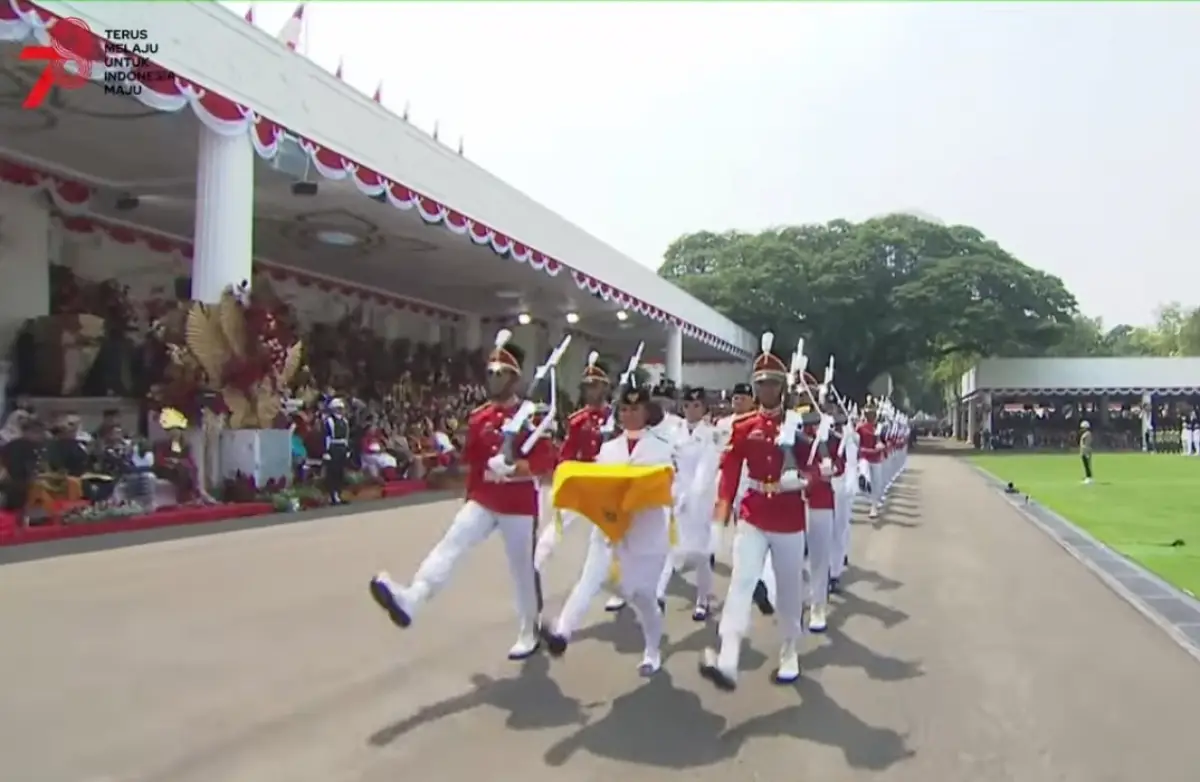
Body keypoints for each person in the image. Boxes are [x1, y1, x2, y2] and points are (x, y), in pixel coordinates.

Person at [368, 333, 557, 660]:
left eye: (501, 373)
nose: (494, 379)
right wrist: (468, 494)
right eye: (491, 372)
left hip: (518, 505)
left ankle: (529, 629)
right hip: (483, 498)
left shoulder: (532, 417)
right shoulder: (479, 417)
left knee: (522, 570)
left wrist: (514, 466)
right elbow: (472, 463)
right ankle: (413, 597)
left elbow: (546, 464)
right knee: (451, 544)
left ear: (514, 378)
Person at [701, 335, 812, 690]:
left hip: (790, 519)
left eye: (772, 384)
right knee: (741, 583)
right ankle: (728, 657)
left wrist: (804, 480)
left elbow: (818, 466)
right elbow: (729, 477)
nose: (766, 389)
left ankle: (790, 648)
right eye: (761, 383)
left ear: (782, 387)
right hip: (753, 514)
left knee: (790, 590)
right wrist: (718, 520)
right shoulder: (744, 426)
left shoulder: (799, 424)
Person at [541, 385, 675, 676]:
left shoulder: (661, 446)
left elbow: (664, 484)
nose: (629, 415)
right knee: (588, 582)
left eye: (635, 409)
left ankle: (652, 650)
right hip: (608, 531)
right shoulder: (608, 449)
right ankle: (561, 633)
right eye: (624, 409)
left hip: (644, 535)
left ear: (646, 412)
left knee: (642, 598)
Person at [533, 355, 611, 571]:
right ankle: (537, 563)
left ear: (605, 387)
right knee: (559, 522)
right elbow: (567, 454)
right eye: (586, 386)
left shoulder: (618, 417)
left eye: (594, 386)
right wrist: (562, 479)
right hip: (584, 480)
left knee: (613, 535)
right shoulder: (578, 420)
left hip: (610, 483)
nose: (589, 391)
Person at [656, 385, 722, 620]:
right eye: (687, 405)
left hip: (700, 499)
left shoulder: (711, 435)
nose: (691, 410)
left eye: (696, 405)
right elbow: (667, 462)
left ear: (704, 408)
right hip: (676, 494)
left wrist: (690, 496)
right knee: (667, 546)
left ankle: (703, 599)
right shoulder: (674, 432)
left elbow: (706, 470)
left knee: (700, 554)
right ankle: (658, 595)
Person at [712, 382, 755, 567]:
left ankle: (745, 558)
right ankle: (711, 550)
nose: (738, 401)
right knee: (719, 513)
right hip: (724, 475)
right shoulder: (722, 423)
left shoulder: (755, 421)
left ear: (752, 400)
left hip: (746, 474)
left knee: (743, 519)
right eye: (736, 398)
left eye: (743, 398)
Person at [858, 401, 884, 519]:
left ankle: (873, 507)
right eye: (868, 413)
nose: (870, 416)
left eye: (872, 413)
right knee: (864, 472)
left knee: (876, 484)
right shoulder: (860, 428)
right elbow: (856, 443)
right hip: (864, 456)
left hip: (876, 457)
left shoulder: (878, 427)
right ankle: (864, 481)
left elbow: (881, 440)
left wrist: (880, 445)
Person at [324, 398, 351, 504]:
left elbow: (347, 436)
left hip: (342, 447)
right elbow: (327, 437)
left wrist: (347, 449)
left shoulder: (344, 421)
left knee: (340, 472)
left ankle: (339, 494)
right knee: (333, 472)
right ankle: (333, 495)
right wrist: (326, 451)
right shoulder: (329, 421)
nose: (341, 410)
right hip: (333, 447)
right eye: (338, 408)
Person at [1080, 420, 1094, 484]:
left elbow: (1087, 444)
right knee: (1085, 465)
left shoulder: (1088, 434)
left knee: (1087, 465)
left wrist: (1086, 452)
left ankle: (1089, 477)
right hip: (1083, 451)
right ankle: (1087, 477)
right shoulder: (1085, 434)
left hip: (1086, 451)